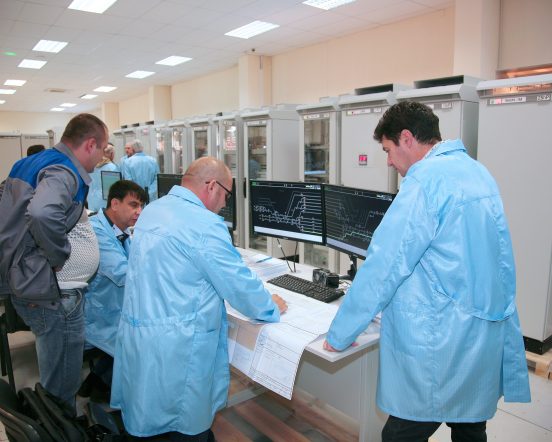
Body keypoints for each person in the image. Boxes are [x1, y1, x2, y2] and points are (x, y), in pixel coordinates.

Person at [324, 101, 530, 442]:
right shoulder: (478, 172)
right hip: (481, 334)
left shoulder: (425, 182)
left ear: (406, 138)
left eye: (388, 150)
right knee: (470, 427)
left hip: (441, 342)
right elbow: (500, 262)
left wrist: (340, 334)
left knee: (402, 433)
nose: (389, 161)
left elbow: (383, 266)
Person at [111, 157, 287, 441]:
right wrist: (270, 305)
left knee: (151, 421)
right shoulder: (204, 225)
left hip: (143, 338)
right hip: (178, 348)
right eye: (226, 195)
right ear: (212, 186)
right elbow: (239, 286)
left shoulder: (154, 210)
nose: (224, 204)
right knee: (184, 426)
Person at [0, 113, 108, 410]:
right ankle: (59, 426)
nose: (101, 158)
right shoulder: (65, 170)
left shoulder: (29, 162)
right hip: (52, 292)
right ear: (90, 144)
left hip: (25, 280)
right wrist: (56, 254)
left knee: (54, 374)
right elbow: (42, 213)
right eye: (102, 149)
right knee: (62, 383)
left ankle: (52, 420)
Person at [79, 180, 147, 399]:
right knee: (149, 338)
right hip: (99, 316)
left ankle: (98, 382)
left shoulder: (118, 230)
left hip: (112, 306)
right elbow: (124, 273)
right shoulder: (97, 232)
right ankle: (107, 388)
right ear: (115, 204)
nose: (139, 212)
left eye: (141, 206)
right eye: (134, 205)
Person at [88, 142, 120, 212]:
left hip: (91, 199)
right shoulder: (111, 167)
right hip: (105, 201)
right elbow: (114, 188)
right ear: (111, 154)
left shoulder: (92, 165)